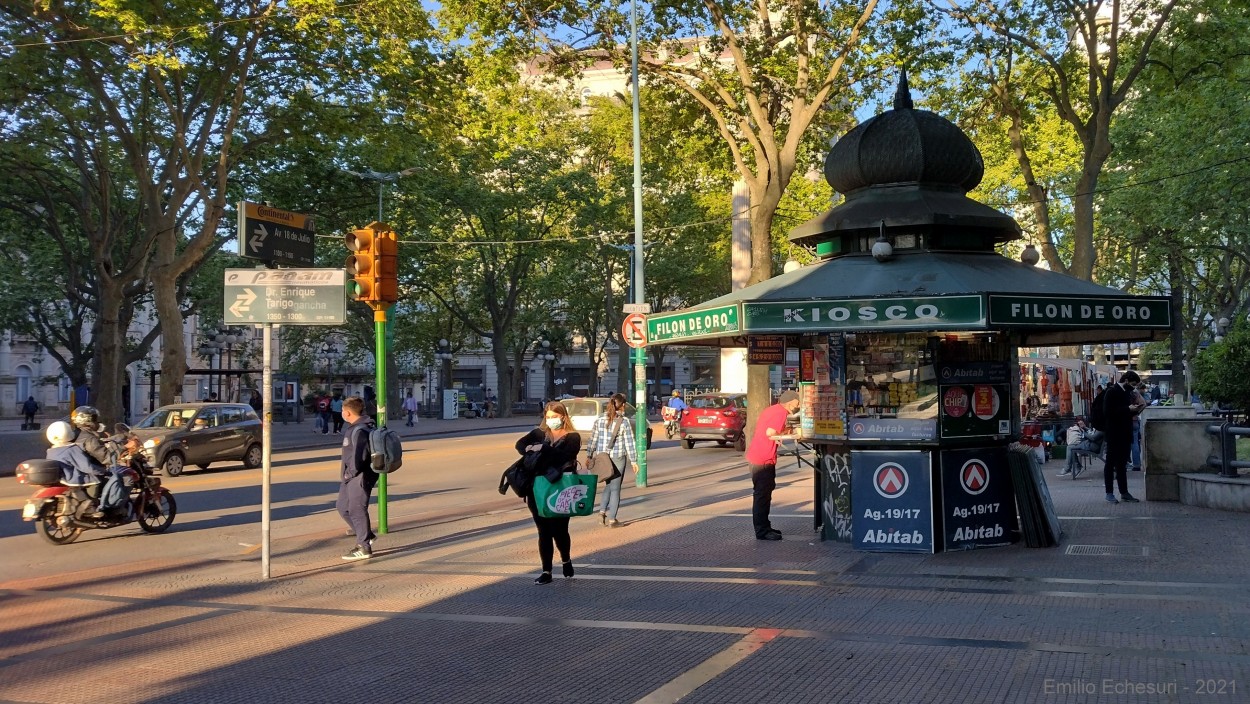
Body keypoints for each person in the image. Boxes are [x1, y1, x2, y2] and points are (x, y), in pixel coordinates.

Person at [514, 401, 582, 584]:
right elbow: (520, 445)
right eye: (548, 416)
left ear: (563, 416)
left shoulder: (572, 437)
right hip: (537, 488)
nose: (551, 420)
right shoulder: (539, 433)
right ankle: (546, 572)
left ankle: (566, 560)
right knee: (543, 531)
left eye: (555, 416)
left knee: (559, 530)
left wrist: (542, 448)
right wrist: (529, 448)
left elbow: (564, 456)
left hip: (561, 489)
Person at [743, 390, 801, 540]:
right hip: (763, 458)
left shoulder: (772, 409)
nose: (799, 405)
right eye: (797, 402)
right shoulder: (781, 412)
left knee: (764, 493)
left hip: (759, 456)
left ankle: (765, 526)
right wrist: (787, 435)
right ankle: (762, 531)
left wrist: (784, 430)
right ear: (790, 402)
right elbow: (770, 432)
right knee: (762, 495)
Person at [586, 393, 638, 528]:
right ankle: (612, 519)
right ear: (622, 405)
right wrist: (634, 460)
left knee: (608, 485)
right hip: (617, 458)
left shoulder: (599, 420)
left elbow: (593, 439)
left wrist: (589, 455)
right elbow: (630, 442)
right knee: (615, 489)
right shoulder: (624, 421)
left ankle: (602, 512)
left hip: (602, 458)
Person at [337, 396, 378, 560]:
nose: (341, 413)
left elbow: (358, 457)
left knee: (356, 509)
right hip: (351, 476)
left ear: (347, 413)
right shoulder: (355, 427)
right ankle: (366, 534)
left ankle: (364, 546)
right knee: (342, 507)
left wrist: (350, 473)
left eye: (342, 410)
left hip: (359, 476)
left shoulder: (360, 430)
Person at [45, 420, 112, 517]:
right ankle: (91, 507)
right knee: (96, 482)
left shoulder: (51, 450)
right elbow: (86, 466)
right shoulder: (72, 449)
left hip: (61, 477)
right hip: (71, 478)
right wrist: (102, 471)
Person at [1102, 371, 1143, 504]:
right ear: (1126, 380)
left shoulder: (1126, 393)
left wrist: (1135, 410)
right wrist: (1127, 409)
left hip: (1125, 432)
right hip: (1114, 433)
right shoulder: (1112, 392)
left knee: (1122, 464)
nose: (1133, 387)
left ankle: (1124, 492)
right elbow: (1108, 412)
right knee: (1110, 463)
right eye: (1132, 384)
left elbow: (1124, 412)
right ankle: (1109, 492)